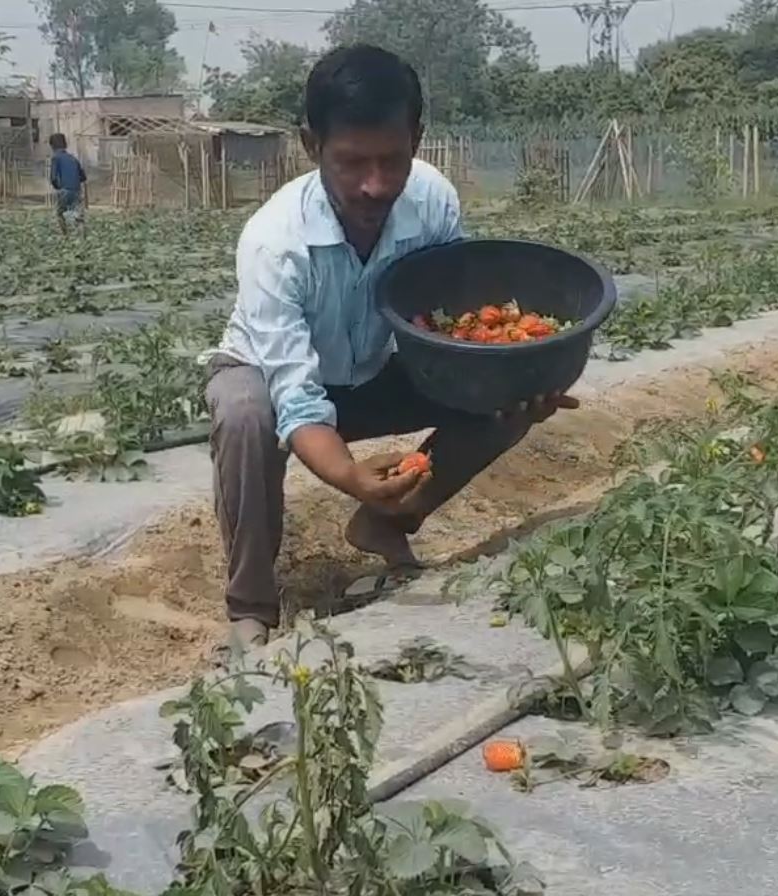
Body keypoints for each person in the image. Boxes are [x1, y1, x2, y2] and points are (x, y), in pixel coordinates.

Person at [206, 44, 577, 648]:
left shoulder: (430, 200)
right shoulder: (275, 244)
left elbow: (446, 315)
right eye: (351, 163)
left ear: (417, 139)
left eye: (392, 160)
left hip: (372, 372)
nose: (375, 185)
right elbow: (297, 400)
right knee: (246, 413)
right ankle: (250, 604)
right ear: (310, 145)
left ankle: (387, 522)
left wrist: (513, 375)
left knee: (501, 397)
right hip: (269, 377)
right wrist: (348, 472)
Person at [47, 133, 86, 235]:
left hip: (64, 190)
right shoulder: (73, 159)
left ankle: (64, 235)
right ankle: (80, 235)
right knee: (77, 214)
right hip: (77, 190)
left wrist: (59, 188)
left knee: (59, 214)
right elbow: (83, 177)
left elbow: (53, 178)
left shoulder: (56, 158)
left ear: (52, 146)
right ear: (65, 144)